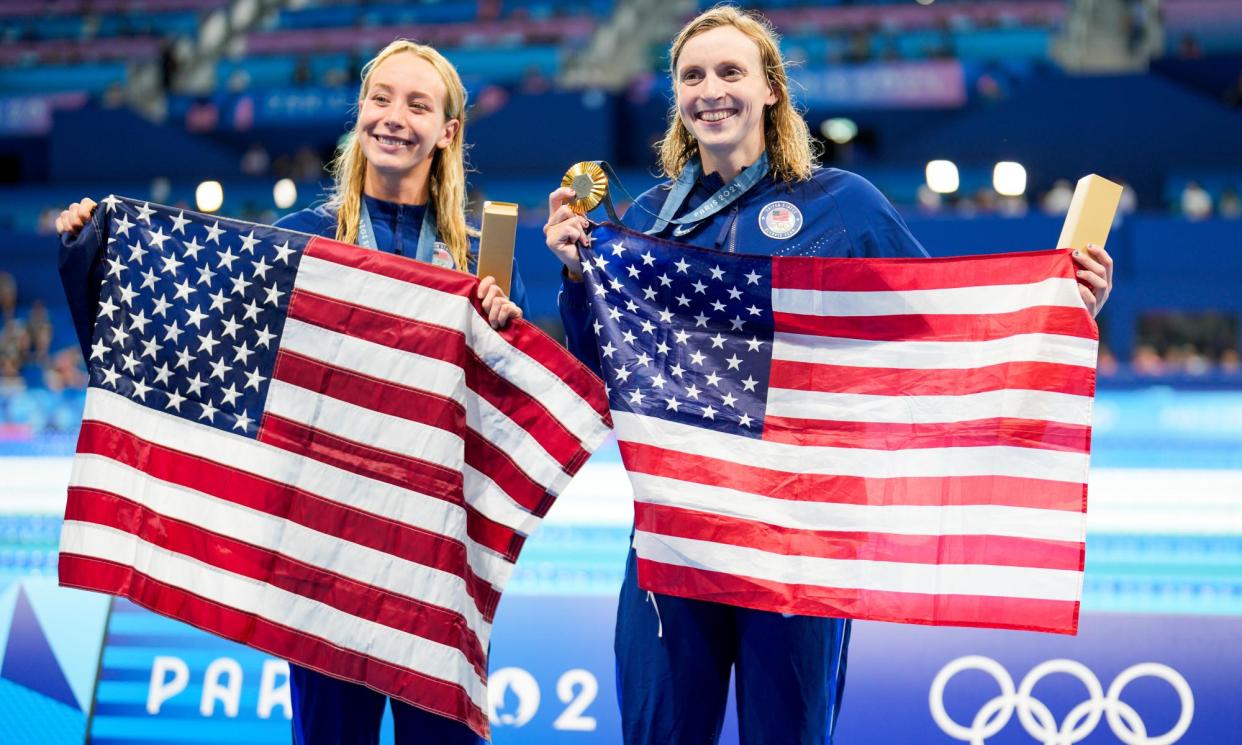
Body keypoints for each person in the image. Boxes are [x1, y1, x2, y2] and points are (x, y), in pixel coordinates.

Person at [543, 7, 1114, 745]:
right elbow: (602, 375)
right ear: (676, 97)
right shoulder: (647, 218)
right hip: (676, 533)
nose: (711, 90)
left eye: (730, 72)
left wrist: (1061, 307)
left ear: (771, 90)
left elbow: (943, 335)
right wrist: (576, 280)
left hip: (802, 538)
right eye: (692, 76)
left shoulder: (843, 206)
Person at [56, 39, 524, 745]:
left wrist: (502, 333)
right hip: (324, 557)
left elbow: (499, 421)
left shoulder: (478, 259)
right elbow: (198, 356)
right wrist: (94, 255)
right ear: (361, 112)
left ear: (447, 131)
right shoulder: (298, 242)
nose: (394, 117)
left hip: (435, 563)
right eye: (380, 98)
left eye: (417, 104)